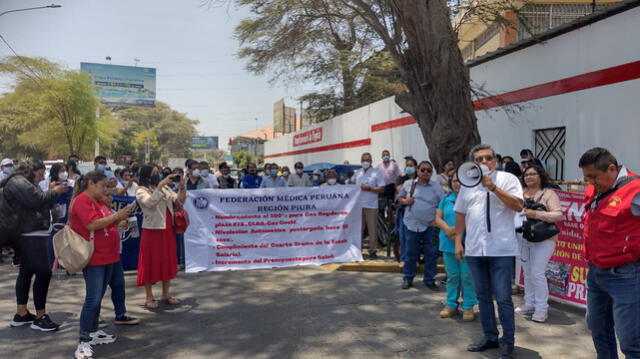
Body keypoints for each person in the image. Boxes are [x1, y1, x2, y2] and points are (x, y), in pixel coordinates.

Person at [453, 144, 523, 358]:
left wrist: (492, 187)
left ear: (496, 160)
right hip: (475, 250)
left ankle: (508, 341)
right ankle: (490, 336)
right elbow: (461, 213)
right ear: (473, 162)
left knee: (503, 298)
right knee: (482, 297)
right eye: (479, 159)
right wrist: (458, 240)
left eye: (488, 158)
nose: (484, 162)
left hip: (500, 250)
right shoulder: (468, 183)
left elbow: (518, 206)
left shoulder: (508, 180)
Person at [579, 147, 640, 358]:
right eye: (587, 178)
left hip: (626, 275)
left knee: (631, 340)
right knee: (598, 329)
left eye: (593, 177)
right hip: (596, 273)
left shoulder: (636, 190)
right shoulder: (593, 190)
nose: (590, 183)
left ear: (611, 168)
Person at [70, 171, 133, 359]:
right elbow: (91, 224)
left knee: (98, 297)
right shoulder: (82, 200)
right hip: (95, 258)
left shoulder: (99, 201)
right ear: (91, 183)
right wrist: (116, 218)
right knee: (93, 299)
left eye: (107, 186)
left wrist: (120, 223)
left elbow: (105, 224)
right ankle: (83, 342)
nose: (106, 189)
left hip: (109, 256)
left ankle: (93, 332)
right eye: (103, 185)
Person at [4, 160, 66, 332]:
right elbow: (35, 200)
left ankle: (21, 313)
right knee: (43, 273)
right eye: (40, 174)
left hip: (31, 233)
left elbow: (37, 201)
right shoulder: (18, 182)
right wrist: (54, 191)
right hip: (29, 234)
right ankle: (40, 317)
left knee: (26, 272)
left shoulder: (24, 183)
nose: (41, 177)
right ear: (32, 171)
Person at [516, 164, 563, 323]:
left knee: (537, 272)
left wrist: (535, 213)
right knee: (527, 272)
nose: (528, 177)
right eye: (526, 174)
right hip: (524, 237)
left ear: (540, 176)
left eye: (532, 174)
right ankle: (529, 303)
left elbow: (558, 215)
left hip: (544, 239)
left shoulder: (549, 194)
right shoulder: (520, 193)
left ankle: (542, 308)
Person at [136, 165, 186, 308]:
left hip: (167, 229)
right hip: (152, 230)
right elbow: (150, 203)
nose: (158, 176)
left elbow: (179, 201)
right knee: (149, 262)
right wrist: (160, 187)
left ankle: (165, 294)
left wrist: (182, 187)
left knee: (167, 260)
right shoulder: (141, 190)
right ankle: (149, 297)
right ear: (146, 175)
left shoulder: (165, 188)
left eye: (159, 173)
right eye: (155, 173)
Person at [435, 171, 478, 321]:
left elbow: (474, 219)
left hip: (467, 245)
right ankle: (451, 305)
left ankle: (468, 306)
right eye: (454, 181)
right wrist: (447, 229)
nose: (457, 183)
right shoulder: (446, 199)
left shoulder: (472, 199)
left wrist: (455, 231)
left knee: (467, 276)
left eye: (460, 181)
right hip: (448, 244)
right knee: (452, 277)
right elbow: (438, 218)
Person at [397, 160, 444, 289]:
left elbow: (443, 204)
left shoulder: (436, 187)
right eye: (422, 170)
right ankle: (408, 277)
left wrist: (437, 220)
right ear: (417, 171)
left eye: (428, 170)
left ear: (431, 173)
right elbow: (399, 198)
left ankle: (429, 279)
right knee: (411, 252)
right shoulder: (408, 184)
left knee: (431, 252)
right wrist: (405, 201)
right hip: (411, 224)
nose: (425, 172)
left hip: (430, 226)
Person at [350, 152, 385, 259]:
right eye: (364, 160)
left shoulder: (377, 172)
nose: (365, 162)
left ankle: (373, 251)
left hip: (371, 205)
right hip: (358, 205)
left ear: (371, 161)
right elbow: (350, 183)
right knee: (358, 229)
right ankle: (358, 250)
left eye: (367, 160)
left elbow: (382, 189)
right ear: (361, 161)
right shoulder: (358, 172)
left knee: (372, 229)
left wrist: (369, 188)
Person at [395, 157, 418, 266]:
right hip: (404, 210)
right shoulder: (401, 179)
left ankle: (416, 259)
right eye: (407, 166)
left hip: (417, 211)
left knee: (416, 236)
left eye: (411, 165)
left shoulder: (420, 179)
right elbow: (401, 191)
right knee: (403, 236)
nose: (408, 168)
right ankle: (403, 258)